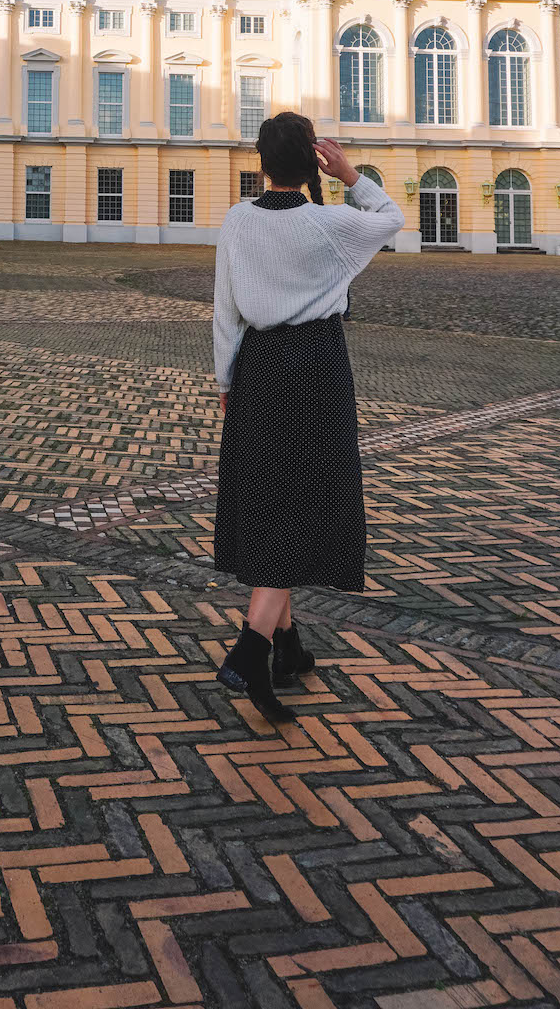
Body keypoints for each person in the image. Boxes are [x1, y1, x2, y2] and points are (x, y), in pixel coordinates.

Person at [212, 112, 404, 725]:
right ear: (312, 161)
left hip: (259, 365)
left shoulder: (239, 219)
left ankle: (287, 646)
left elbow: (224, 311)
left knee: (272, 498)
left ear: (262, 161)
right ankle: (252, 649)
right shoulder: (331, 222)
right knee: (301, 503)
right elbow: (392, 219)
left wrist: (224, 381)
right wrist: (350, 174)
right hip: (316, 365)